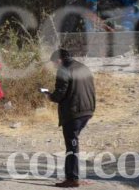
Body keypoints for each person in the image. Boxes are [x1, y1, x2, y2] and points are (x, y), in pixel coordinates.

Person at [46, 49, 96, 188]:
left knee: (72, 146)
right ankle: (74, 175)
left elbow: (59, 94)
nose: (55, 66)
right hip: (87, 111)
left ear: (59, 60)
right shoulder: (83, 67)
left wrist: (50, 96)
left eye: (54, 63)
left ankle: (72, 178)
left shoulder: (64, 70)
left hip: (73, 113)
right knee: (74, 143)